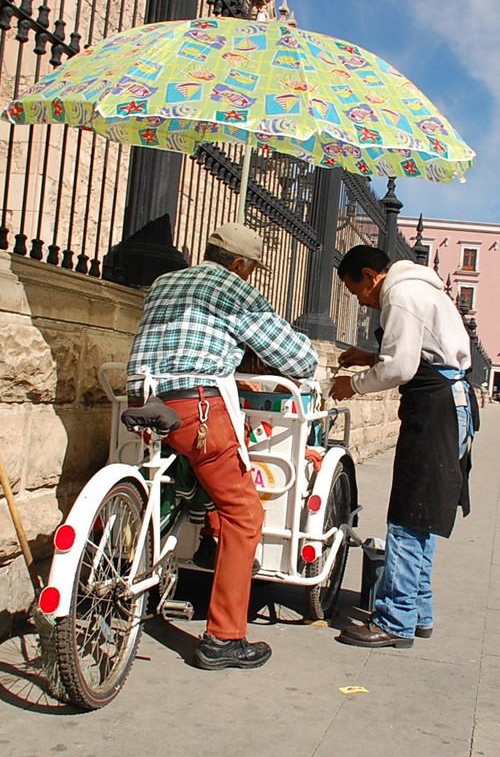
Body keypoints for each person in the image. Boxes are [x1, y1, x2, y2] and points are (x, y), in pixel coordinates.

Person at [126, 222, 318, 669]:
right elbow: (300, 359)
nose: (249, 276)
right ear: (238, 264)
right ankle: (224, 638)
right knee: (246, 513)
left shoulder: (166, 281)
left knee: (204, 470)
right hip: (196, 409)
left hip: (142, 398)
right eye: (250, 269)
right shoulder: (233, 288)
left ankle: (208, 540)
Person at [329, 244, 478, 649]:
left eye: (356, 291)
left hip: (436, 407)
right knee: (423, 512)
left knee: (409, 514)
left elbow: (400, 367)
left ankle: (395, 619)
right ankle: (418, 612)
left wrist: (353, 385)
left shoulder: (400, 294)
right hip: (448, 401)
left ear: (369, 275)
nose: (361, 301)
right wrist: (369, 356)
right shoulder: (418, 289)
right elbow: (419, 351)